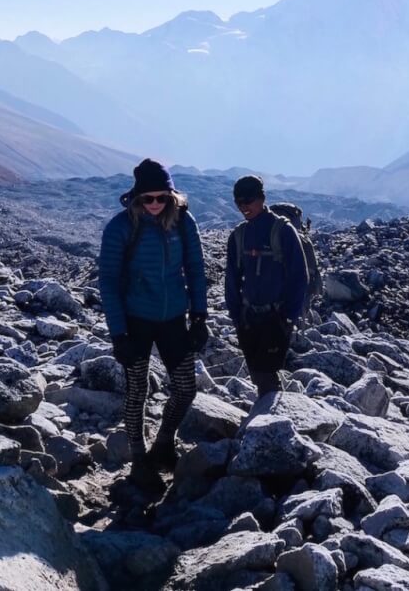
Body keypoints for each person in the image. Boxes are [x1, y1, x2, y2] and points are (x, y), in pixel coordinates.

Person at [97, 159, 209, 486]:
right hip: (136, 320)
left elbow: (196, 268)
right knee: (137, 391)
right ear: (136, 198)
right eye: (149, 198)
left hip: (174, 317)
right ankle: (139, 457)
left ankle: (163, 441)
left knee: (186, 388)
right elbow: (108, 281)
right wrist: (119, 334)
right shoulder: (120, 228)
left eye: (163, 197)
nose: (156, 204)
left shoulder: (184, 222)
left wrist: (199, 316)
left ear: (173, 197)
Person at [224, 174, 307, 397]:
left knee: (265, 373)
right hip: (248, 318)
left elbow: (300, 277)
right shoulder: (239, 235)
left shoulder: (283, 231)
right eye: (239, 202)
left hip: (276, 317)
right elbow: (231, 278)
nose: (244, 207)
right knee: (258, 373)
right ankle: (271, 412)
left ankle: (270, 420)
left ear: (262, 198)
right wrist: (236, 316)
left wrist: (288, 317)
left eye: (248, 200)